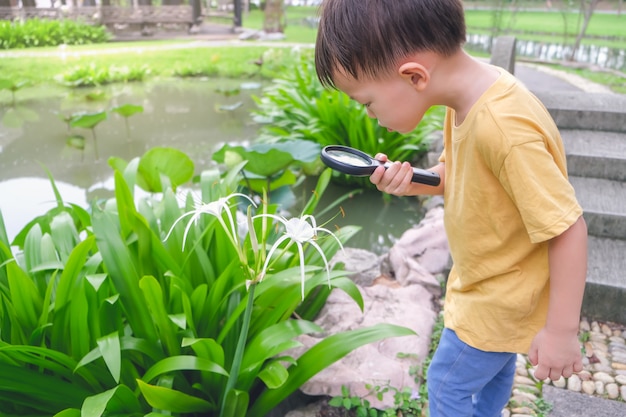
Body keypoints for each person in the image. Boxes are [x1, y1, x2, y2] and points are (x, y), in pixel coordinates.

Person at [314, 1, 588, 416]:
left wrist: (562, 332)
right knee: (492, 377)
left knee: (446, 384)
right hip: (496, 290)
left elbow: (567, 228)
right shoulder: (471, 97)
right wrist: (415, 182)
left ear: (414, 76)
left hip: (494, 300)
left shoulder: (503, 127)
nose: (368, 113)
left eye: (366, 102)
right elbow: (460, 174)